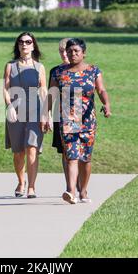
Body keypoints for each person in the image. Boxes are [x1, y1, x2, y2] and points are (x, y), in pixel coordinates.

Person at [50, 38, 111, 204]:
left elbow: (101, 89)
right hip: (68, 118)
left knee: (86, 158)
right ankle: (71, 191)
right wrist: (44, 115)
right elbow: (52, 95)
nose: (73, 54)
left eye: (76, 51)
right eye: (70, 51)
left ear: (83, 53)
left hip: (88, 119)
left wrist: (106, 104)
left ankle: (83, 191)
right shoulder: (59, 72)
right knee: (71, 155)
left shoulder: (93, 71)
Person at [3, 32, 47, 199]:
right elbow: (6, 88)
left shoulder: (39, 67)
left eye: (28, 42)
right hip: (16, 112)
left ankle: (32, 187)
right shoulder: (10, 66)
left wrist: (46, 113)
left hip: (35, 111)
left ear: (33, 45)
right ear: (18, 45)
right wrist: (9, 106)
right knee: (18, 151)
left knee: (32, 149)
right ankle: (21, 182)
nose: (24, 44)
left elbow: (43, 90)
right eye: (21, 42)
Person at [47, 38, 80, 193]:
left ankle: (81, 185)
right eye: (62, 51)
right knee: (66, 152)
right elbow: (51, 95)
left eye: (67, 51)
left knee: (77, 151)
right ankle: (70, 187)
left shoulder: (83, 70)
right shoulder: (55, 71)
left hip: (78, 115)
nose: (65, 54)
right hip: (59, 116)